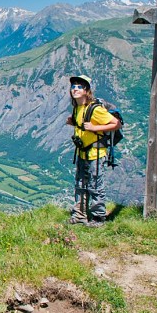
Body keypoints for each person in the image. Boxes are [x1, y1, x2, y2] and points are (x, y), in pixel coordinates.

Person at [66, 75, 119, 227]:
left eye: (79, 87)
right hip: (83, 152)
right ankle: (80, 215)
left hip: (96, 154)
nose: (75, 89)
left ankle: (98, 218)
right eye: (73, 87)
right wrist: (73, 122)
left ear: (86, 90)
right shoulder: (78, 108)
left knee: (95, 186)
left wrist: (95, 128)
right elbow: (83, 127)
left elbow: (115, 124)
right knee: (80, 184)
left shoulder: (95, 109)